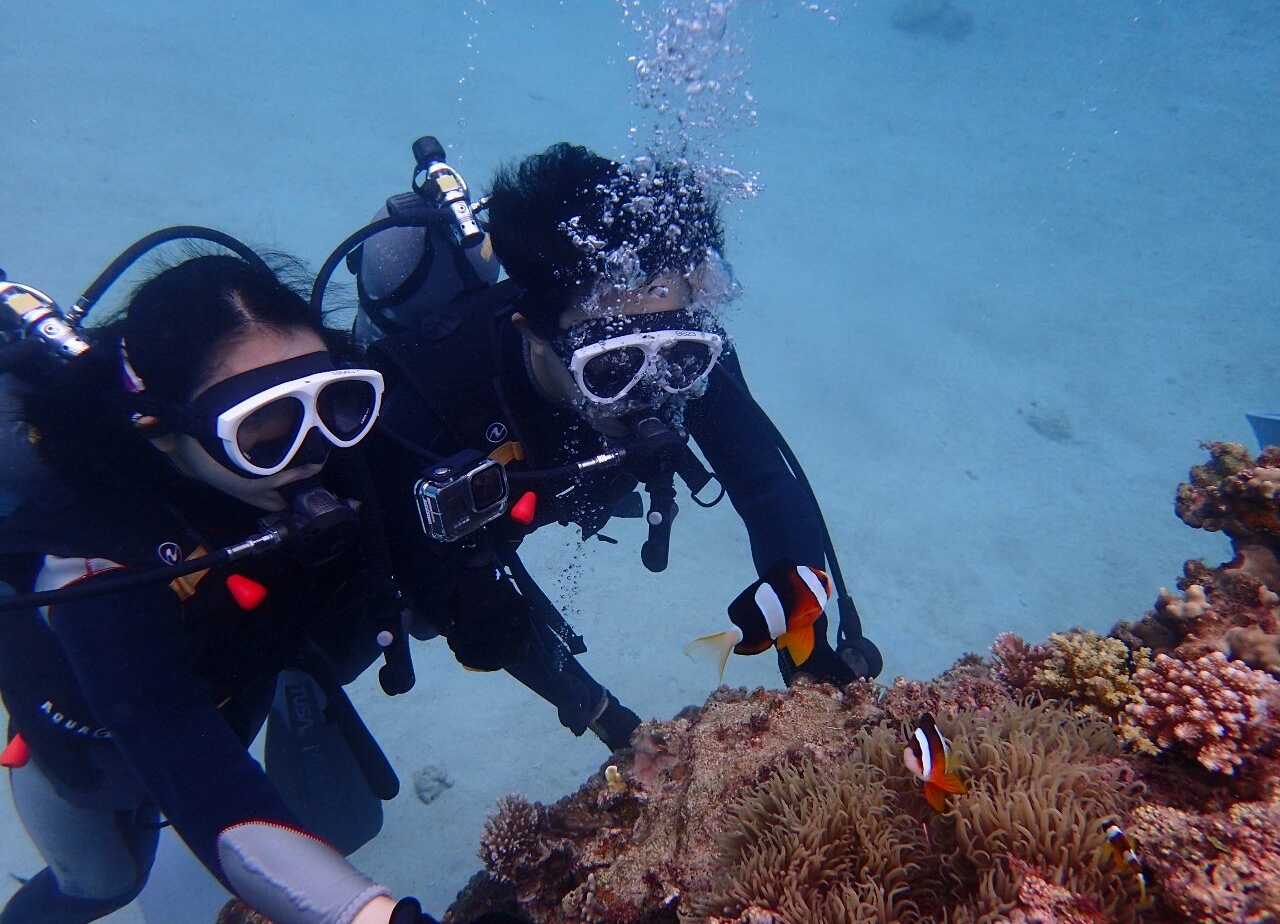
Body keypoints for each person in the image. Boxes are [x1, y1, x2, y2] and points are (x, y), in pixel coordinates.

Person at [0, 253, 486, 924]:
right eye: (264, 427)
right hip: (97, 744)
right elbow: (176, 747)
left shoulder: (336, 453)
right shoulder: (97, 565)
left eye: (337, 401)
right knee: (104, 883)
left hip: (240, 679)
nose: (315, 448)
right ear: (161, 429)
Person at [363, 143, 882, 752]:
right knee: (419, 611)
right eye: (612, 369)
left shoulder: (688, 350)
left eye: (683, 358)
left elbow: (766, 483)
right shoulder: (431, 406)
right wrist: (610, 720)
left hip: (552, 489)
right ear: (530, 332)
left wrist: (808, 649)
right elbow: (477, 615)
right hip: (457, 526)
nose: (654, 394)